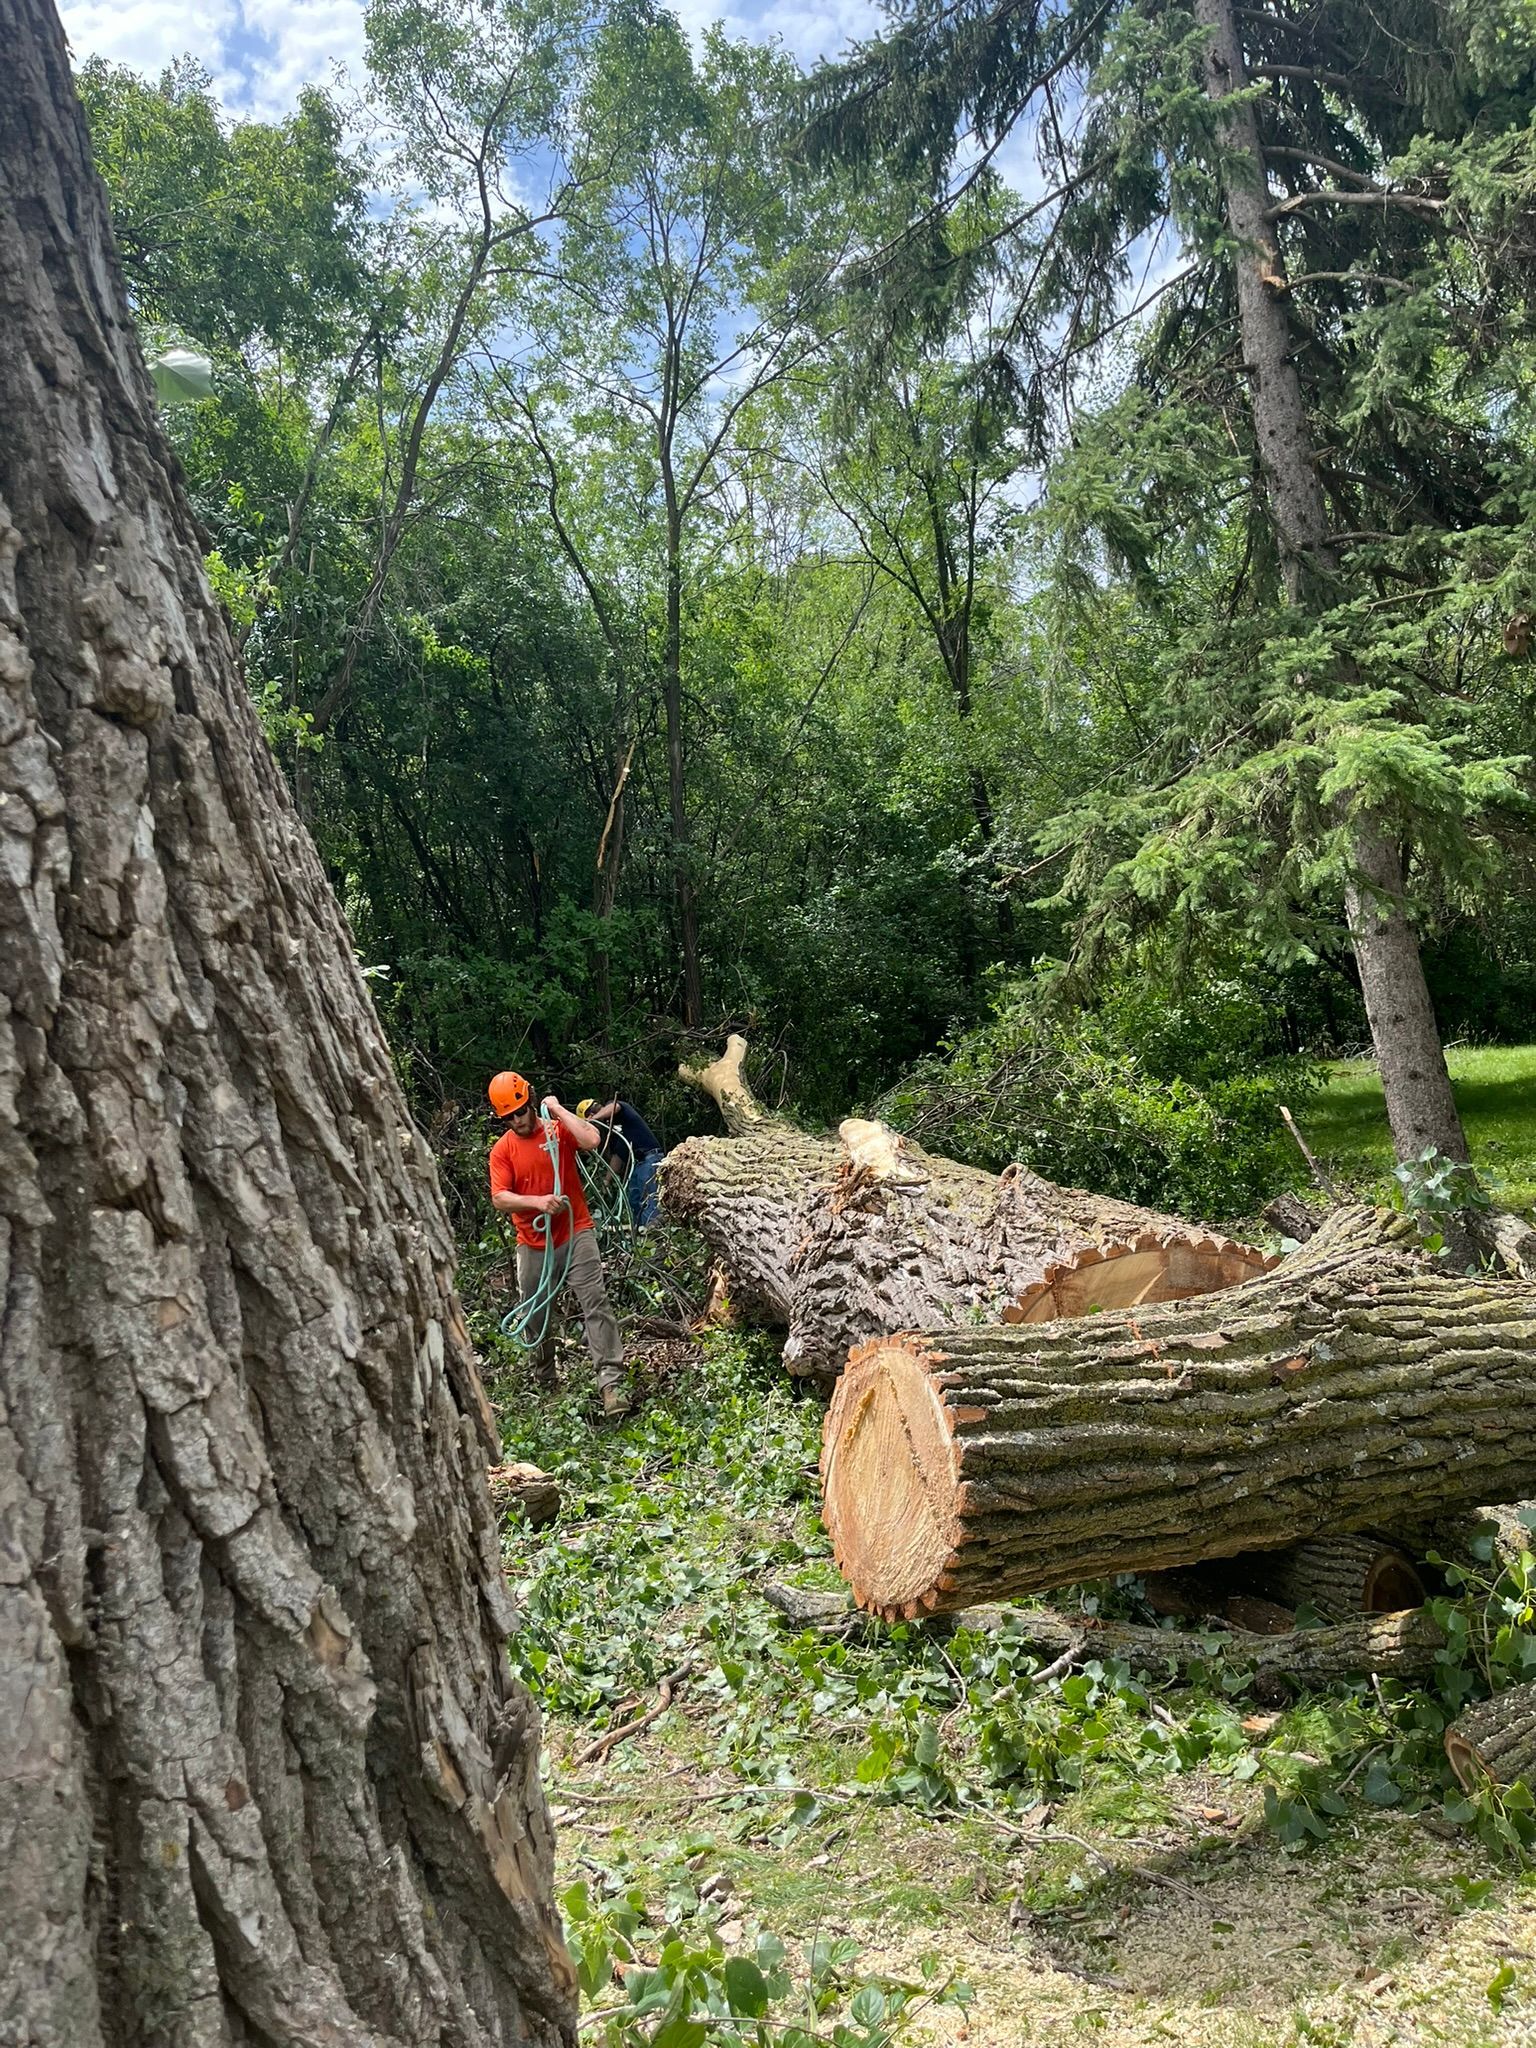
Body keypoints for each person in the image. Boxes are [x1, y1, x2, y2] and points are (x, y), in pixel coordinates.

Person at [487, 1071, 631, 1416]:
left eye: (521, 1111)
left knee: (594, 1301)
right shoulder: (502, 1150)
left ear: (531, 1100)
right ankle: (546, 1381)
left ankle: (611, 1385)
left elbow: (592, 1139)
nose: (518, 1120)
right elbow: (500, 1198)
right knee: (536, 1314)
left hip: (576, 1229)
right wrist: (537, 1203)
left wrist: (559, 1109)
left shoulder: (556, 1129)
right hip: (534, 1242)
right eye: (509, 1116)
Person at [576, 1095, 665, 1226]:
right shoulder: (616, 1132)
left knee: (650, 1199)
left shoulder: (618, 1109)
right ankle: (640, 1235)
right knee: (634, 1201)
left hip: (650, 1159)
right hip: (639, 1164)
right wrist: (607, 1180)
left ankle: (653, 1234)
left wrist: (593, 1120)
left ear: (591, 1114)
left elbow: (615, 1107)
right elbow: (618, 1156)